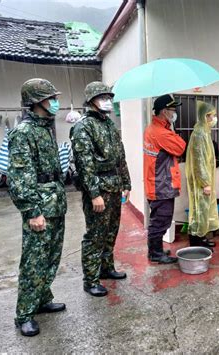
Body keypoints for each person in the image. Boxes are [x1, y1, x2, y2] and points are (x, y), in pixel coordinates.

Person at [8, 78, 67, 337]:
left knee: (51, 257)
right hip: (40, 206)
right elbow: (20, 176)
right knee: (34, 261)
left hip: (55, 202)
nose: (55, 102)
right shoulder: (23, 132)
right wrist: (32, 211)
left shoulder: (44, 128)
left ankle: (42, 300)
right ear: (36, 102)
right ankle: (24, 314)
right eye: (51, 98)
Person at [70, 82, 131, 297]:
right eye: (102, 96)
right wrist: (94, 194)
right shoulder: (83, 127)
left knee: (111, 230)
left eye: (108, 96)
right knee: (95, 235)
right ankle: (91, 279)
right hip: (99, 189)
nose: (107, 100)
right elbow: (84, 164)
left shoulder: (109, 124)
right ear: (91, 101)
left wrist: (126, 184)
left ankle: (106, 268)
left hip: (114, 187)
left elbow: (120, 157)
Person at [144, 94, 186, 263]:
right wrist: (173, 134)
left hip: (159, 182)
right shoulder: (159, 132)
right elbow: (180, 147)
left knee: (161, 219)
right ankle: (155, 253)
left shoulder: (158, 129)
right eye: (172, 110)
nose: (174, 112)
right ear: (163, 111)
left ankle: (156, 250)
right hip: (161, 184)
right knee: (160, 220)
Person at [185, 101, 219, 248]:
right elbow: (198, 161)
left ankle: (202, 237)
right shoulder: (199, 134)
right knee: (200, 210)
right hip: (201, 181)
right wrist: (205, 183)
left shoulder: (204, 131)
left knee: (205, 210)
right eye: (211, 116)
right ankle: (196, 240)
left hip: (205, 180)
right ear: (204, 116)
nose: (213, 119)